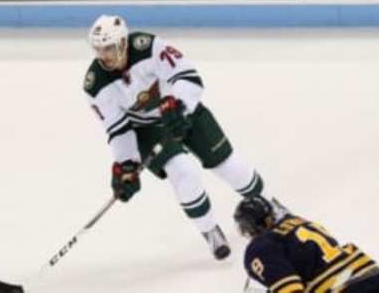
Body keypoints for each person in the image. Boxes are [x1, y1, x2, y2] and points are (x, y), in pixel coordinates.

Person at [83, 14, 271, 260]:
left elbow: (188, 75)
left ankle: (270, 206)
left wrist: (180, 105)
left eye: (108, 48)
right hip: (146, 129)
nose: (104, 56)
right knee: (183, 171)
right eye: (98, 50)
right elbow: (118, 129)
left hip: (179, 107)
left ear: (123, 43)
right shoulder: (95, 84)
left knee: (228, 165)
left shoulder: (148, 46)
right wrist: (126, 164)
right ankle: (209, 230)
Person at [234, 196, 379, 293]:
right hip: (369, 276)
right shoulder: (297, 221)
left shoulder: (260, 248)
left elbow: (290, 290)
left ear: (249, 226)